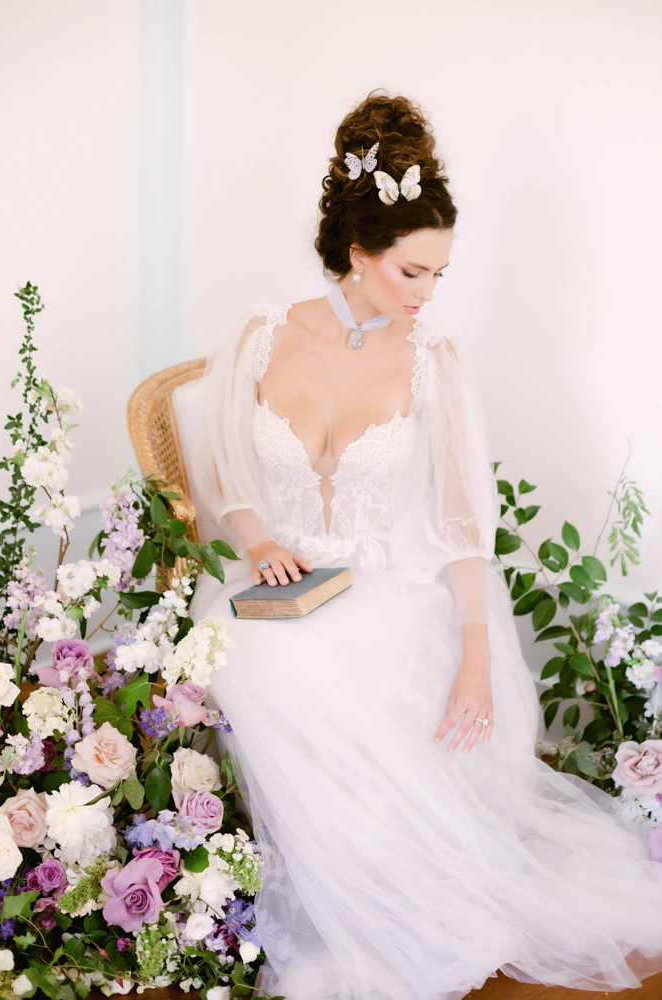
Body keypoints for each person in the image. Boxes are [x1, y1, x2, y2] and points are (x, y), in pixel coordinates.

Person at [184, 93, 662, 1000]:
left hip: (384, 586)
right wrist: (259, 541)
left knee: (350, 675)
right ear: (356, 255)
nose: (427, 295)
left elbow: (459, 524)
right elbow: (225, 472)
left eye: (439, 275)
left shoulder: (429, 359)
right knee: (262, 664)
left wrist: (479, 653)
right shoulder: (259, 335)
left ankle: (400, 901)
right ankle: (343, 897)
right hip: (276, 584)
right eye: (412, 273)